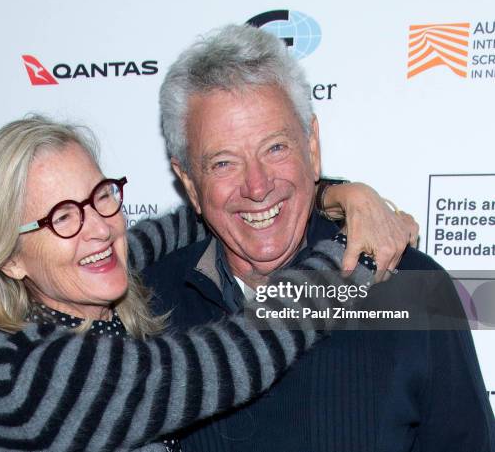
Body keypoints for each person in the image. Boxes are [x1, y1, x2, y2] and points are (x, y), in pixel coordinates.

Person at [0, 116, 418, 452]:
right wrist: (357, 253)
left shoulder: (86, 282)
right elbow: (237, 356)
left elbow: (213, 214)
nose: (100, 227)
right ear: (10, 258)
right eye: (62, 216)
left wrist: (336, 193)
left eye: (102, 196)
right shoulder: (17, 371)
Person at [143, 24, 495, 451]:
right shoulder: (146, 307)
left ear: (312, 147)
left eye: (275, 148)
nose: (257, 186)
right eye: (223, 163)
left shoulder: (414, 288)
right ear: (189, 182)